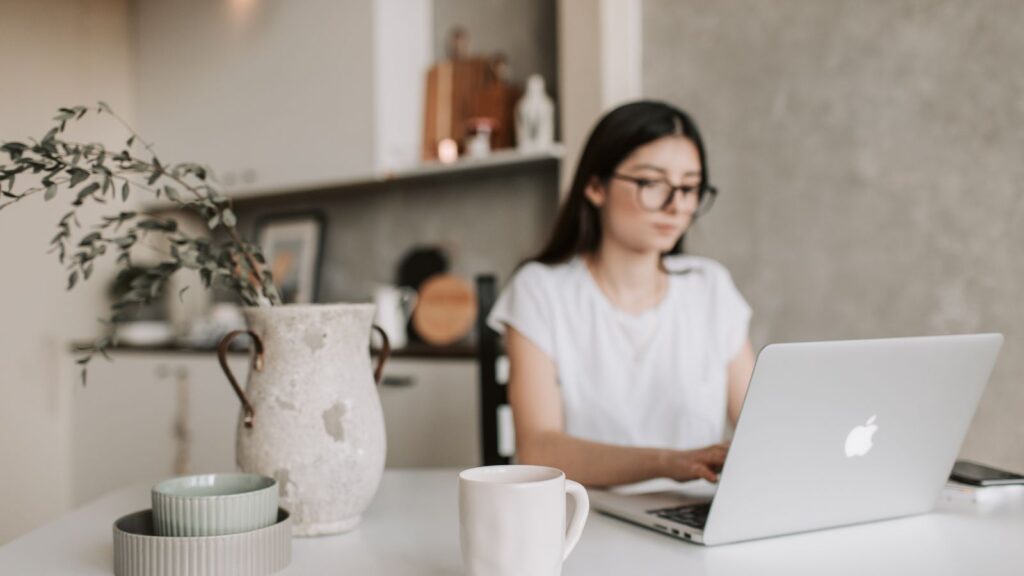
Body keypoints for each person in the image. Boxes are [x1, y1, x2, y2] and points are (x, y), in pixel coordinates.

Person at [487, 100, 755, 488]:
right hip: (583, 520)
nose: (676, 204)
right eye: (652, 183)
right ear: (596, 187)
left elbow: (758, 427)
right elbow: (538, 449)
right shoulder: (540, 291)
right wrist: (669, 462)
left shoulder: (710, 287)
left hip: (693, 520)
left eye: (690, 187)